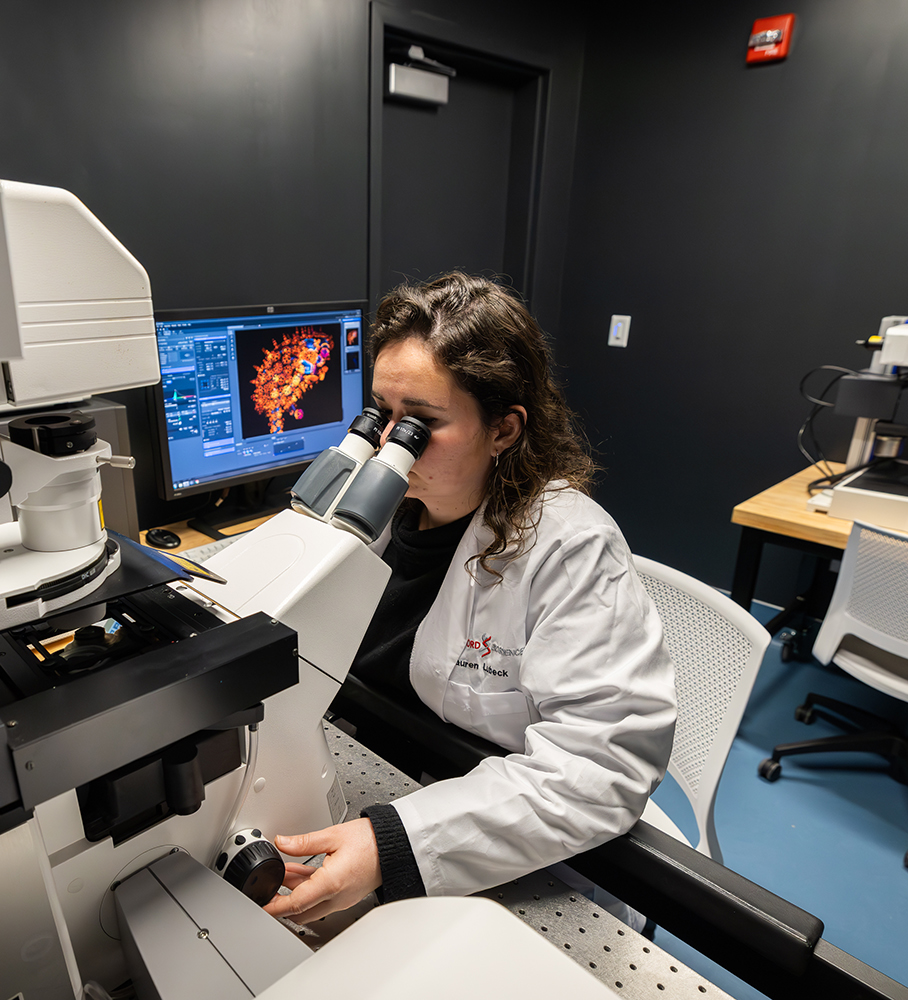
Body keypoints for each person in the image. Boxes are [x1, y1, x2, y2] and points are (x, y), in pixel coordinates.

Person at [262, 272, 677, 925]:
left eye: (420, 424)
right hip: (365, 771)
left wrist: (394, 844)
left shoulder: (570, 549)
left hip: (505, 845)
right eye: (381, 415)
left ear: (504, 430)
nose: (389, 443)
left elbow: (604, 762)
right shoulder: (374, 508)